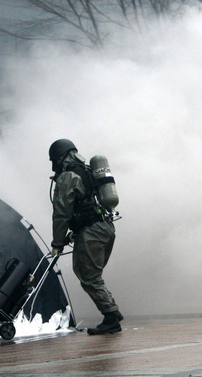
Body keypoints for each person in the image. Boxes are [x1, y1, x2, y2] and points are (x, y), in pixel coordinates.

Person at [48, 139, 122, 335]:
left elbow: (61, 214)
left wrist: (57, 243)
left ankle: (111, 317)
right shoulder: (88, 170)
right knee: (93, 276)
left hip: (93, 232)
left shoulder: (67, 176)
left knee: (89, 276)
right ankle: (113, 312)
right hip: (105, 227)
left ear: (59, 158)